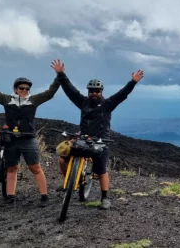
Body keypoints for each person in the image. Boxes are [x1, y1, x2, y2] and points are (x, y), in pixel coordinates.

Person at [51, 59, 144, 210]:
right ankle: (68, 182)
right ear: (88, 92)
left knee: (101, 170)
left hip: (101, 141)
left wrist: (132, 82)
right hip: (82, 138)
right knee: (62, 160)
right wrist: (61, 74)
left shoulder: (107, 104)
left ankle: (105, 197)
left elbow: (122, 94)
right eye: (91, 91)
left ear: (101, 92)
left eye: (97, 91)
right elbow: (70, 89)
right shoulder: (83, 102)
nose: (94, 93)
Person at [0, 75, 60, 207]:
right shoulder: (7, 100)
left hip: (28, 138)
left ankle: (44, 196)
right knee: (11, 168)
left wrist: (59, 77)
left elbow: (50, 93)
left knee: (35, 168)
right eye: (21, 88)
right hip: (10, 138)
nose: (25, 90)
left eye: (27, 89)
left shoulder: (33, 100)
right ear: (16, 89)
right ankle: (11, 196)